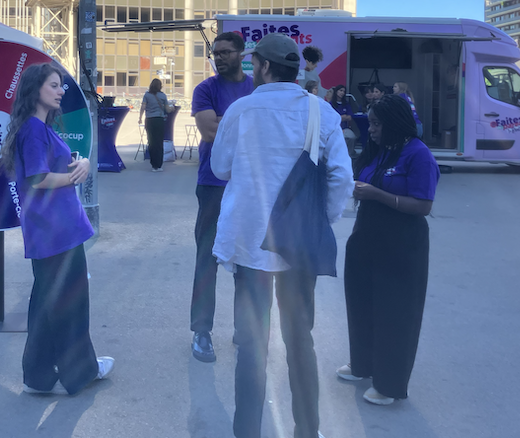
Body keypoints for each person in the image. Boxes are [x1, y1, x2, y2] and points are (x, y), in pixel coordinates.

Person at [211, 33, 354, 438]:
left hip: (249, 244)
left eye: (255, 64)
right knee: (299, 341)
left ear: (266, 67)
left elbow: (221, 168)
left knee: (252, 347)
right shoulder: (320, 112)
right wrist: (317, 221)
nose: (251, 69)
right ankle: (307, 431)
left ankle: (247, 432)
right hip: (297, 250)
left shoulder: (241, 110)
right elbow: (341, 176)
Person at [0, 62, 113, 395]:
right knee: (71, 305)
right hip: (56, 232)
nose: (61, 90)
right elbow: (38, 178)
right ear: (35, 90)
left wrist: (84, 163)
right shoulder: (33, 129)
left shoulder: (38, 127)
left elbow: (56, 164)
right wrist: (74, 176)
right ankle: (81, 373)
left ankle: (38, 375)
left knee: (48, 304)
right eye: (54, 85)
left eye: (61, 85)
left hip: (53, 231)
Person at [338, 94, 440, 405]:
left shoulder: (418, 155)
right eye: (369, 123)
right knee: (361, 302)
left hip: (401, 243)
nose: (370, 129)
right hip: (367, 237)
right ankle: (363, 365)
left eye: (377, 124)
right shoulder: (380, 151)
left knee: (394, 313)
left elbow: (423, 205)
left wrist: (377, 194)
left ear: (394, 124)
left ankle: (389, 384)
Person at [189, 31, 255, 363]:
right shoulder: (206, 89)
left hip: (249, 186)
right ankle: (201, 332)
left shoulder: (256, 87)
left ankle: (245, 329)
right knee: (208, 258)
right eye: (215, 53)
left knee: (247, 258)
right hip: (213, 184)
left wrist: (229, 124)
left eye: (226, 52)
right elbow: (210, 132)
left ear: (242, 53)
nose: (219, 58)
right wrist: (250, 131)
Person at [138, 78, 170, 172]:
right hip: (160, 120)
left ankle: (153, 165)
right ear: (160, 86)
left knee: (151, 142)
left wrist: (140, 118)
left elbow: (143, 107)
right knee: (159, 142)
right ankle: (159, 165)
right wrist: (172, 109)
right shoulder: (163, 96)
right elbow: (167, 110)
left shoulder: (147, 95)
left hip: (150, 120)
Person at [329, 84, 358, 157]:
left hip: (345, 128)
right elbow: (331, 118)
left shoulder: (346, 104)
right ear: (336, 92)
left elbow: (350, 117)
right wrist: (342, 117)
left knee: (352, 137)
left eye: (343, 91)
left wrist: (340, 117)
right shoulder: (331, 104)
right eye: (340, 90)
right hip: (334, 129)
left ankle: (349, 154)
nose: (342, 93)